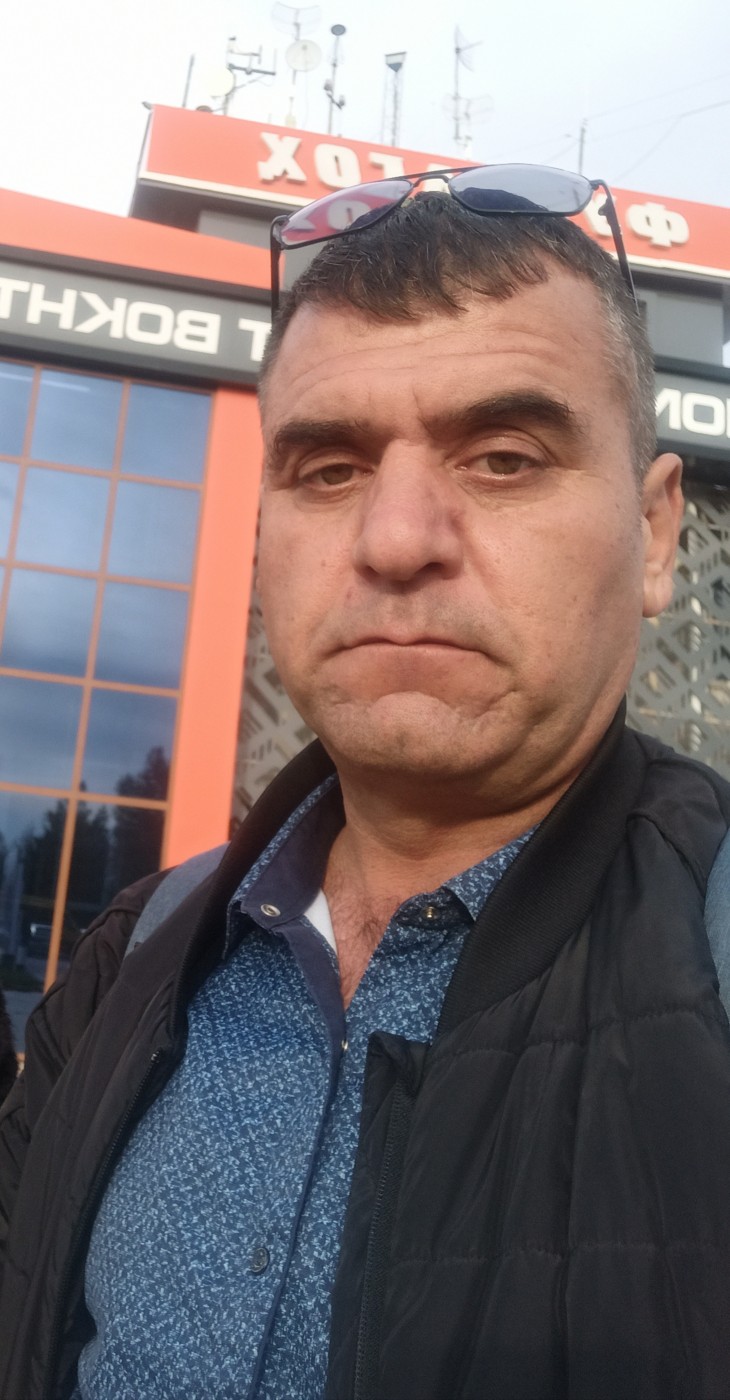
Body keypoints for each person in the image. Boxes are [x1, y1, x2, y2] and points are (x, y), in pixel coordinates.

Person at [2, 167, 730, 1400]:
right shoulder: (132, 958)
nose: (395, 539)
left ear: (655, 533)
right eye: (329, 469)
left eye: (502, 457)